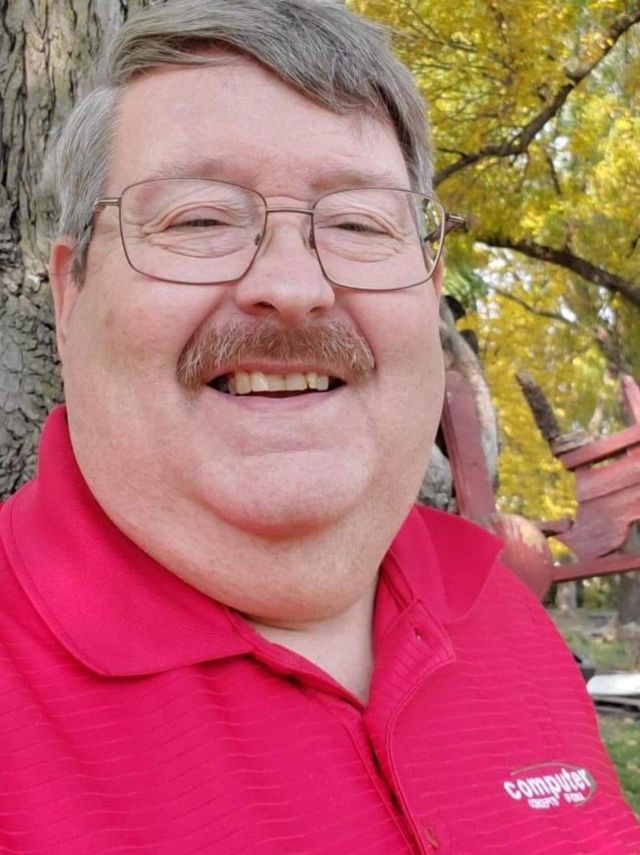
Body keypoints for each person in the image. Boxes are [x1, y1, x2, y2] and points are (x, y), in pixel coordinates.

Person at [0, 1, 638, 852]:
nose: (294, 287)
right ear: (70, 296)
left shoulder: (506, 623)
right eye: (200, 219)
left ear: (428, 287)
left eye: (357, 223)